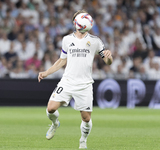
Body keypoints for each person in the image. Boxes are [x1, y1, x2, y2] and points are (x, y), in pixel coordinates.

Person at [38, 10, 113, 149]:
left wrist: (109, 56)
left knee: (86, 118)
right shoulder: (67, 39)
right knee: (50, 109)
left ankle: (83, 141)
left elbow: (108, 62)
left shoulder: (95, 41)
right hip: (67, 81)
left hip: (84, 84)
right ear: (75, 23)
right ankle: (55, 124)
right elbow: (62, 60)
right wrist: (46, 72)